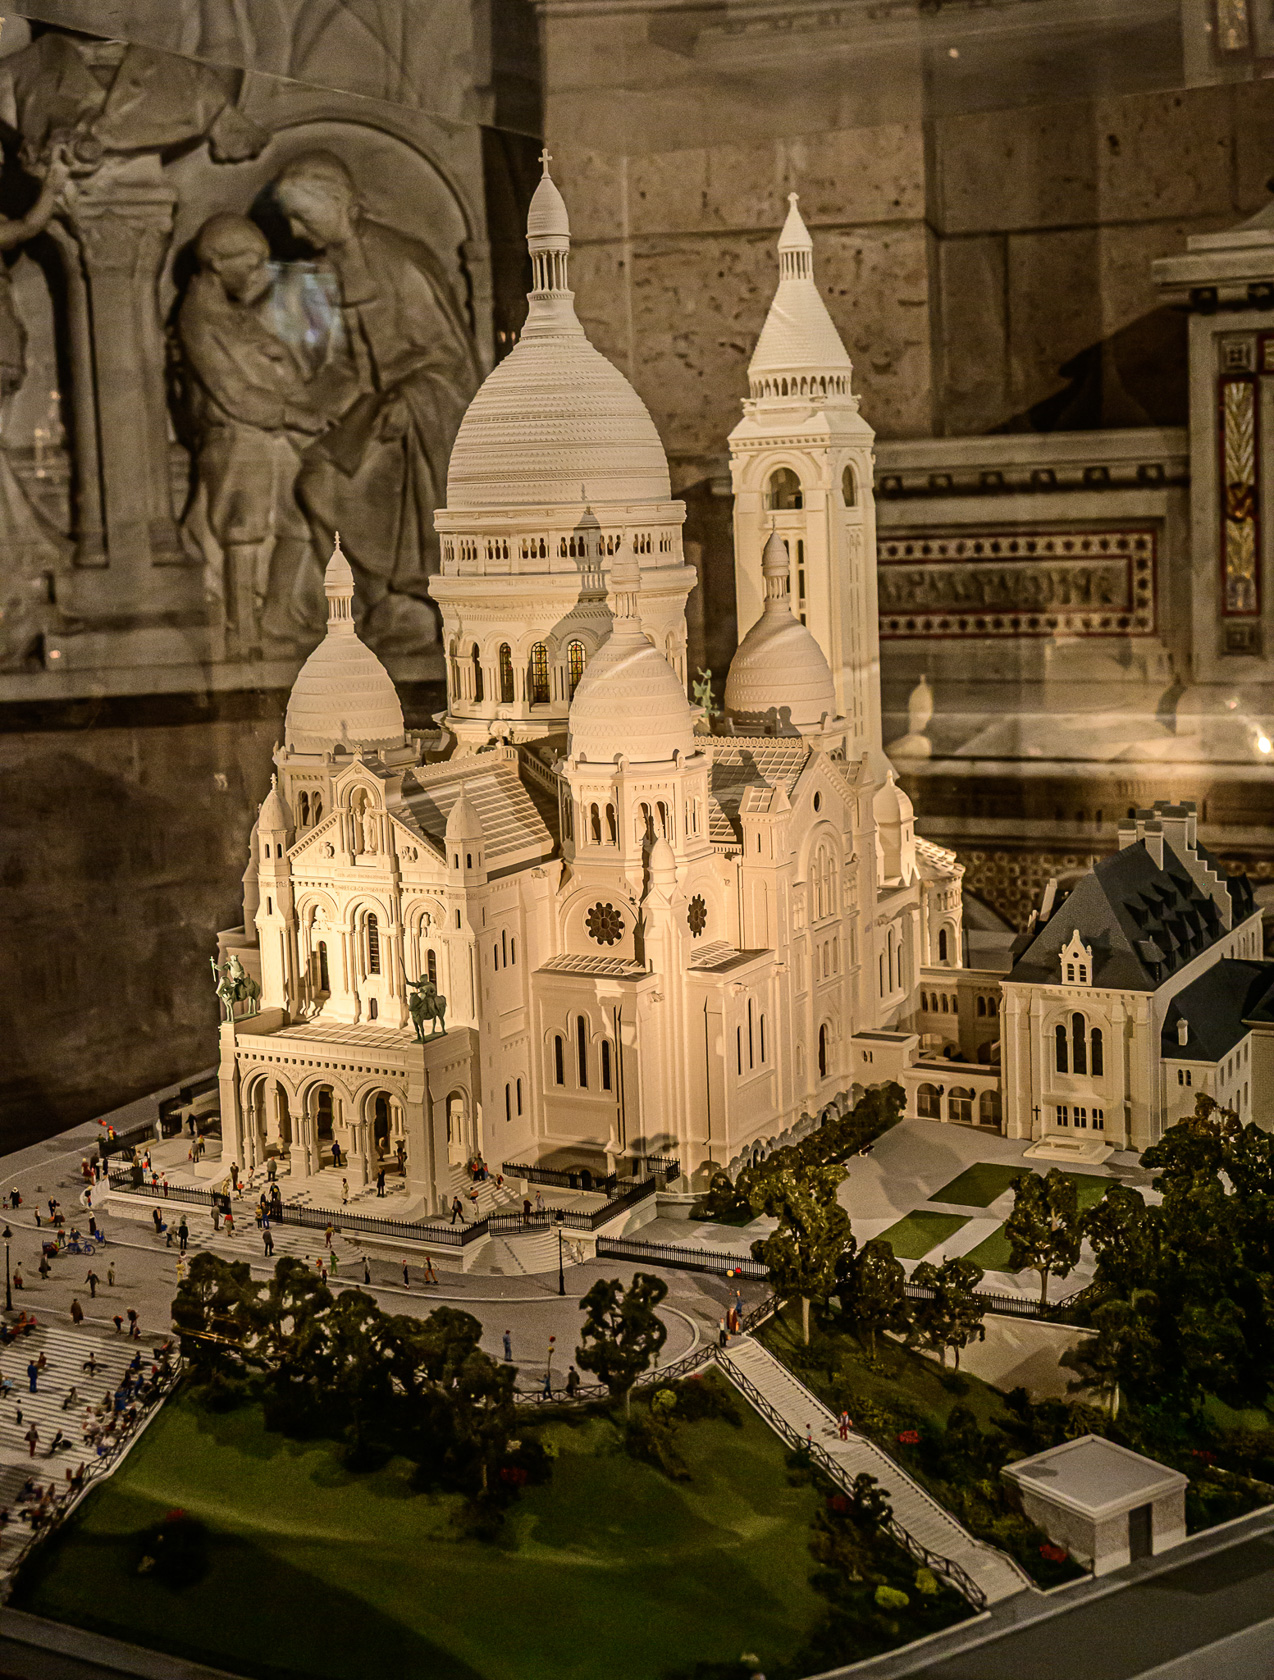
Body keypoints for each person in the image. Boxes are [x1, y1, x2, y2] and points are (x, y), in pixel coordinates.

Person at [274, 150, 481, 653]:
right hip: (372, 407)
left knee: (341, 485)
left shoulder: (402, 262)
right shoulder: (325, 271)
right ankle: (374, 602)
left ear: (337, 203)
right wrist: (307, 400)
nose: (296, 232)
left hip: (423, 417)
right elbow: (342, 360)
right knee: (317, 483)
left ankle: (411, 604)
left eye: (303, 218)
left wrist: (410, 399)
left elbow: (451, 361)